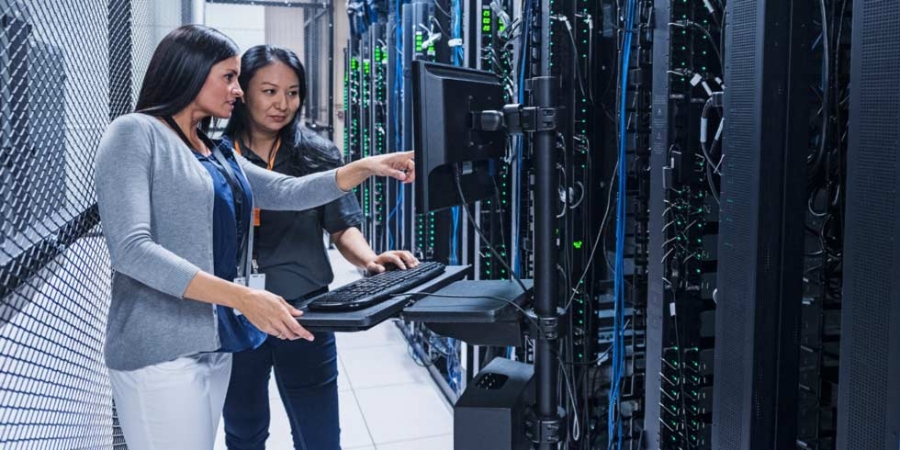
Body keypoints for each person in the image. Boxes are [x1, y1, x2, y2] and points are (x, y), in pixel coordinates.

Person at [93, 25, 415, 450]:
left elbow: (287, 191)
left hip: (213, 342)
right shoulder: (135, 133)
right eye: (229, 77)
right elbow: (132, 250)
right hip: (160, 349)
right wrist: (243, 298)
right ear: (190, 72)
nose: (238, 91)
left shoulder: (210, 149)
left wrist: (367, 166)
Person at [220, 45, 419, 450]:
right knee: (244, 428)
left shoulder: (318, 154)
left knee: (319, 434)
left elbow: (341, 226)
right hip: (237, 311)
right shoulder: (216, 155)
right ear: (243, 91)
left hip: (304, 310)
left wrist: (369, 259)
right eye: (270, 91)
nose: (282, 104)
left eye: (292, 92)